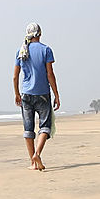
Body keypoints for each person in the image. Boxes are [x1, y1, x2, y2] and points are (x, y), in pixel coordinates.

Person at [13, 22, 60, 171]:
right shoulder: (46, 50)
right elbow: (50, 74)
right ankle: (37, 154)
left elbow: (15, 76)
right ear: (40, 33)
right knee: (45, 126)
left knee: (28, 128)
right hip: (43, 94)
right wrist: (57, 95)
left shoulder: (20, 52)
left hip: (26, 93)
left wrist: (16, 94)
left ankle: (33, 162)